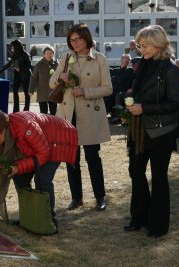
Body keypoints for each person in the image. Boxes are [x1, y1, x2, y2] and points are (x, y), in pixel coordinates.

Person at [0, 108, 78, 231]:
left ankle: (49, 221)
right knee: (19, 177)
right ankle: (29, 218)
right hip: (37, 148)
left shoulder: (24, 126)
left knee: (42, 179)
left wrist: (18, 167)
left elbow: (43, 153)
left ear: (2, 130)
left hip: (56, 140)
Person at [124, 25, 179, 238]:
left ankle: (158, 225)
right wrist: (132, 95)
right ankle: (139, 218)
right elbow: (141, 91)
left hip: (161, 132)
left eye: (145, 45)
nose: (141, 49)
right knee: (136, 172)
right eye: (139, 46)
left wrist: (144, 108)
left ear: (158, 44)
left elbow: (176, 103)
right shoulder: (144, 65)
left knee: (158, 178)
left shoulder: (171, 69)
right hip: (139, 130)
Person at [49, 23, 112, 211]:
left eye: (78, 39)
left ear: (87, 39)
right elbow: (52, 84)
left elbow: (108, 88)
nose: (74, 43)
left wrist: (85, 91)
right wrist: (61, 77)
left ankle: (100, 197)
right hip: (68, 115)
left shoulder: (99, 59)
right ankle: (76, 197)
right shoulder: (66, 58)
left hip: (90, 114)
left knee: (93, 157)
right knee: (71, 159)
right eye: (71, 40)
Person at [0, 39, 32, 113]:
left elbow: (29, 66)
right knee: (15, 91)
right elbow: (10, 63)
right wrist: (1, 70)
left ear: (17, 46)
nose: (12, 48)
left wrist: (20, 68)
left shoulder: (25, 54)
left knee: (26, 93)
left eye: (12, 46)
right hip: (17, 75)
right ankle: (16, 110)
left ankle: (26, 110)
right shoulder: (14, 54)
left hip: (25, 75)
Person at [29, 46, 59, 115]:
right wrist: (31, 90)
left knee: (54, 113)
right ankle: (44, 126)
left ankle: (53, 125)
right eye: (47, 53)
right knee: (43, 113)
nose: (49, 55)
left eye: (50, 53)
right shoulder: (39, 64)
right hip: (42, 92)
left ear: (53, 54)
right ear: (44, 54)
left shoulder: (57, 64)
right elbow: (33, 78)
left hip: (53, 92)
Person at [106, 54, 135, 123]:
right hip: (113, 90)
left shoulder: (129, 70)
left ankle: (117, 116)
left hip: (122, 90)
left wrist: (113, 78)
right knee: (106, 95)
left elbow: (120, 79)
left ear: (129, 61)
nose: (125, 60)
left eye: (127, 59)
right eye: (124, 58)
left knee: (112, 95)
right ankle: (103, 114)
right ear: (121, 59)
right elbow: (107, 71)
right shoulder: (115, 70)